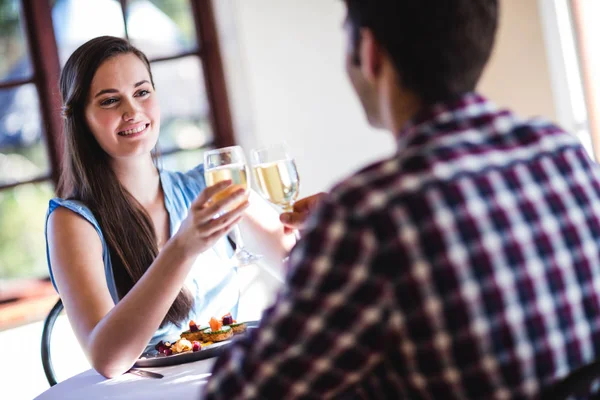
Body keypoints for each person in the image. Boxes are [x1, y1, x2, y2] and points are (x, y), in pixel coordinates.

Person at [203, 0, 600, 398]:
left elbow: (240, 392)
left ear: (369, 52)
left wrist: (343, 235)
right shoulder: (561, 153)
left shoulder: (369, 214)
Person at [45, 36, 294, 378]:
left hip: (234, 378)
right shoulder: (72, 221)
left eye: (142, 92)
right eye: (109, 101)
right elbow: (107, 360)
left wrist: (321, 228)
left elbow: (302, 273)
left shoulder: (207, 186)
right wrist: (183, 247)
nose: (131, 111)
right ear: (82, 118)